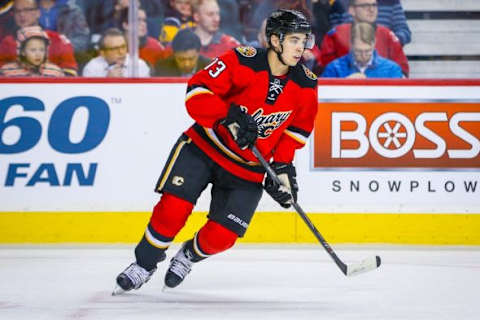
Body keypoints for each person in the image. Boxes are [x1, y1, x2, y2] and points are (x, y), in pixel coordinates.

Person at [113, 9, 318, 294]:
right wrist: (225, 117)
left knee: (223, 236)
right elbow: (197, 91)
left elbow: (294, 134)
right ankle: (144, 265)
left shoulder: (307, 84)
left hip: (248, 168)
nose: (301, 47)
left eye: (304, 40)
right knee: (172, 211)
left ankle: (187, 256)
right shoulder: (241, 59)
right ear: (274, 39)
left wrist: (282, 170)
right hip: (204, 148)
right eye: (294, 39)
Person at [318, 0, 409, 76]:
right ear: (352, 10)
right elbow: (325, 71)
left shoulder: (387, 34)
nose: (371, 9)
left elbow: (402, 71)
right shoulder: (336, 34)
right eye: (365, 5)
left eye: (374, 5)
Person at [0, 0, 77, 75]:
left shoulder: (58, 39)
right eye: (17, 11)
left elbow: (69, 74)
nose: (22, 14)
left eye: (27, 10)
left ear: (38, 12)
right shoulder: (7, 42)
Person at [321, 22, 402, 78]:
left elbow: (399, 100)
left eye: (367, 51)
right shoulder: (334, 68)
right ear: (351, 44)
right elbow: (322, 97)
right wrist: (344, 84)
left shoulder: (392, 69)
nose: (363, 55)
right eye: (358, 51)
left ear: (374, 43)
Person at [328, 0, 411, 46]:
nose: (371, 9)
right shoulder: (339, 3)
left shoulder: (391, 2)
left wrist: (391, 39)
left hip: (385, 57)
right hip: (348, 59)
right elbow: (334, 35)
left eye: (374, 6)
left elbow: (404, 31)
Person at [82, 27, 150, 77]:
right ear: (102, 53)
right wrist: (107, 81)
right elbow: (91, 95)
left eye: (123, 47)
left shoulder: (139, 65)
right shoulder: (91, 68)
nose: (121, 52)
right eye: (115, 48)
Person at [0, 25, 64, 77]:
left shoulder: (55, 72)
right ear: (22, 52)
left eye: (42, 50)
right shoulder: (7, 72)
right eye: (33, 50)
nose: (38, 54)